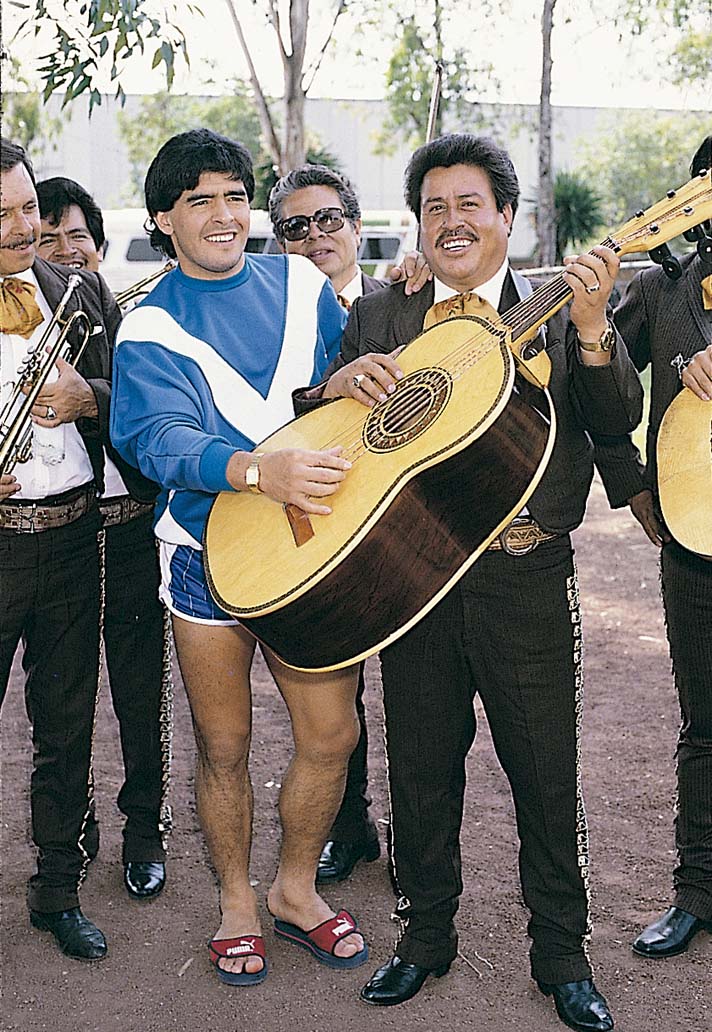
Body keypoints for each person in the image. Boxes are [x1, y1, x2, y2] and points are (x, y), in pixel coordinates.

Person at [296, 134, 643, 1031]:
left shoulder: (566, 309)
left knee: (544, 774)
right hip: (413, 578)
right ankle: (424, 941)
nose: (452, 223)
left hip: (528, 575)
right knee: (419, 770)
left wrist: (600, 333)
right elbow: (318, 417)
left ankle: (564, 959)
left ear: (506, 218)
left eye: (469, 205)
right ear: (418, 224)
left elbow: (616, 423)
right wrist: (339, 380)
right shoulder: (385, 310)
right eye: (434, 208)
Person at [110, 128, 368, 987]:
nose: (222, 215)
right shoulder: (147, 322)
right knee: (224, 747)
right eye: (198, 201)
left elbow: (335, 382)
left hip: (314, 548)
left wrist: (346, 380)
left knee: (331, 734)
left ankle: (295, 891)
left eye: (233, 195)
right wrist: (262, 470)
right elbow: (156, 439)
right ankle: (234, 903)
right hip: (203, 555)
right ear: (163, 221)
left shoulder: (302, 283)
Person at [1, 140, 128, 960]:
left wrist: (90, 397)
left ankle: (57, 891)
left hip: (76, 536)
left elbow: (132, 390)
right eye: (1, 217)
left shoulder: (74, 288)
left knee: (67, 725)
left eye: (25, 209)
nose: (22, 230)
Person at [35, 176, 171, 902]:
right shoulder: (23, 317)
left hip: (127, 538)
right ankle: (75, 822)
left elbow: (153, 416)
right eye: (47, 235)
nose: (63, 248)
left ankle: (145, 826)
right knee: (64, 695)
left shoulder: (128, 317)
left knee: (140, 689)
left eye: (76, 234)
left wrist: (92, 399)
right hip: (56, 543)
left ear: (98, 242)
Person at [595, 134, 712, 961]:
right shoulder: (662, 288)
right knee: (704, 725)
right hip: (695, 549)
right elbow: (588, 376)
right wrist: (634, 486)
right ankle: (697, 889)